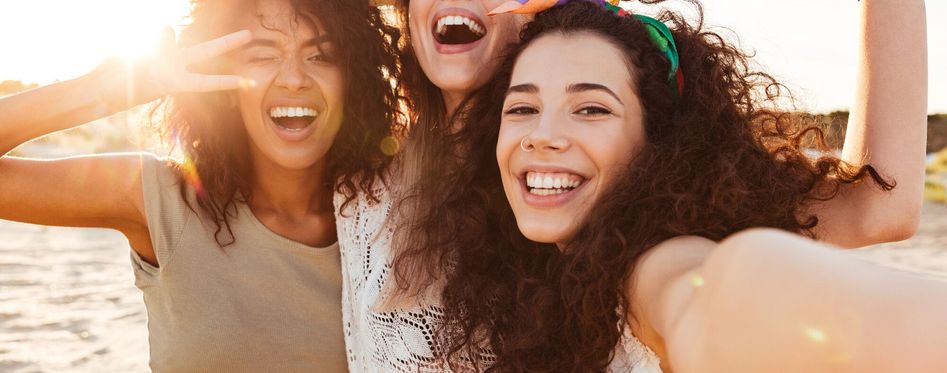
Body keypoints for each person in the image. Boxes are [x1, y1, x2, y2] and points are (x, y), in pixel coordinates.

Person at [336, 0, 926, 370]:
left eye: (590, 109)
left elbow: (717, 289)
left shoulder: (640, 260)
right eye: (521, 109)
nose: (544, 135)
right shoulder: (367, 189)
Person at [0, 0, 400, 371]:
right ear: (219, 83)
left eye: (321, 55)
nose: (294, 78)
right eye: (263, 55)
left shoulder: (397, 220)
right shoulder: (162, 199)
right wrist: (110, 91)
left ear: (353, 82)